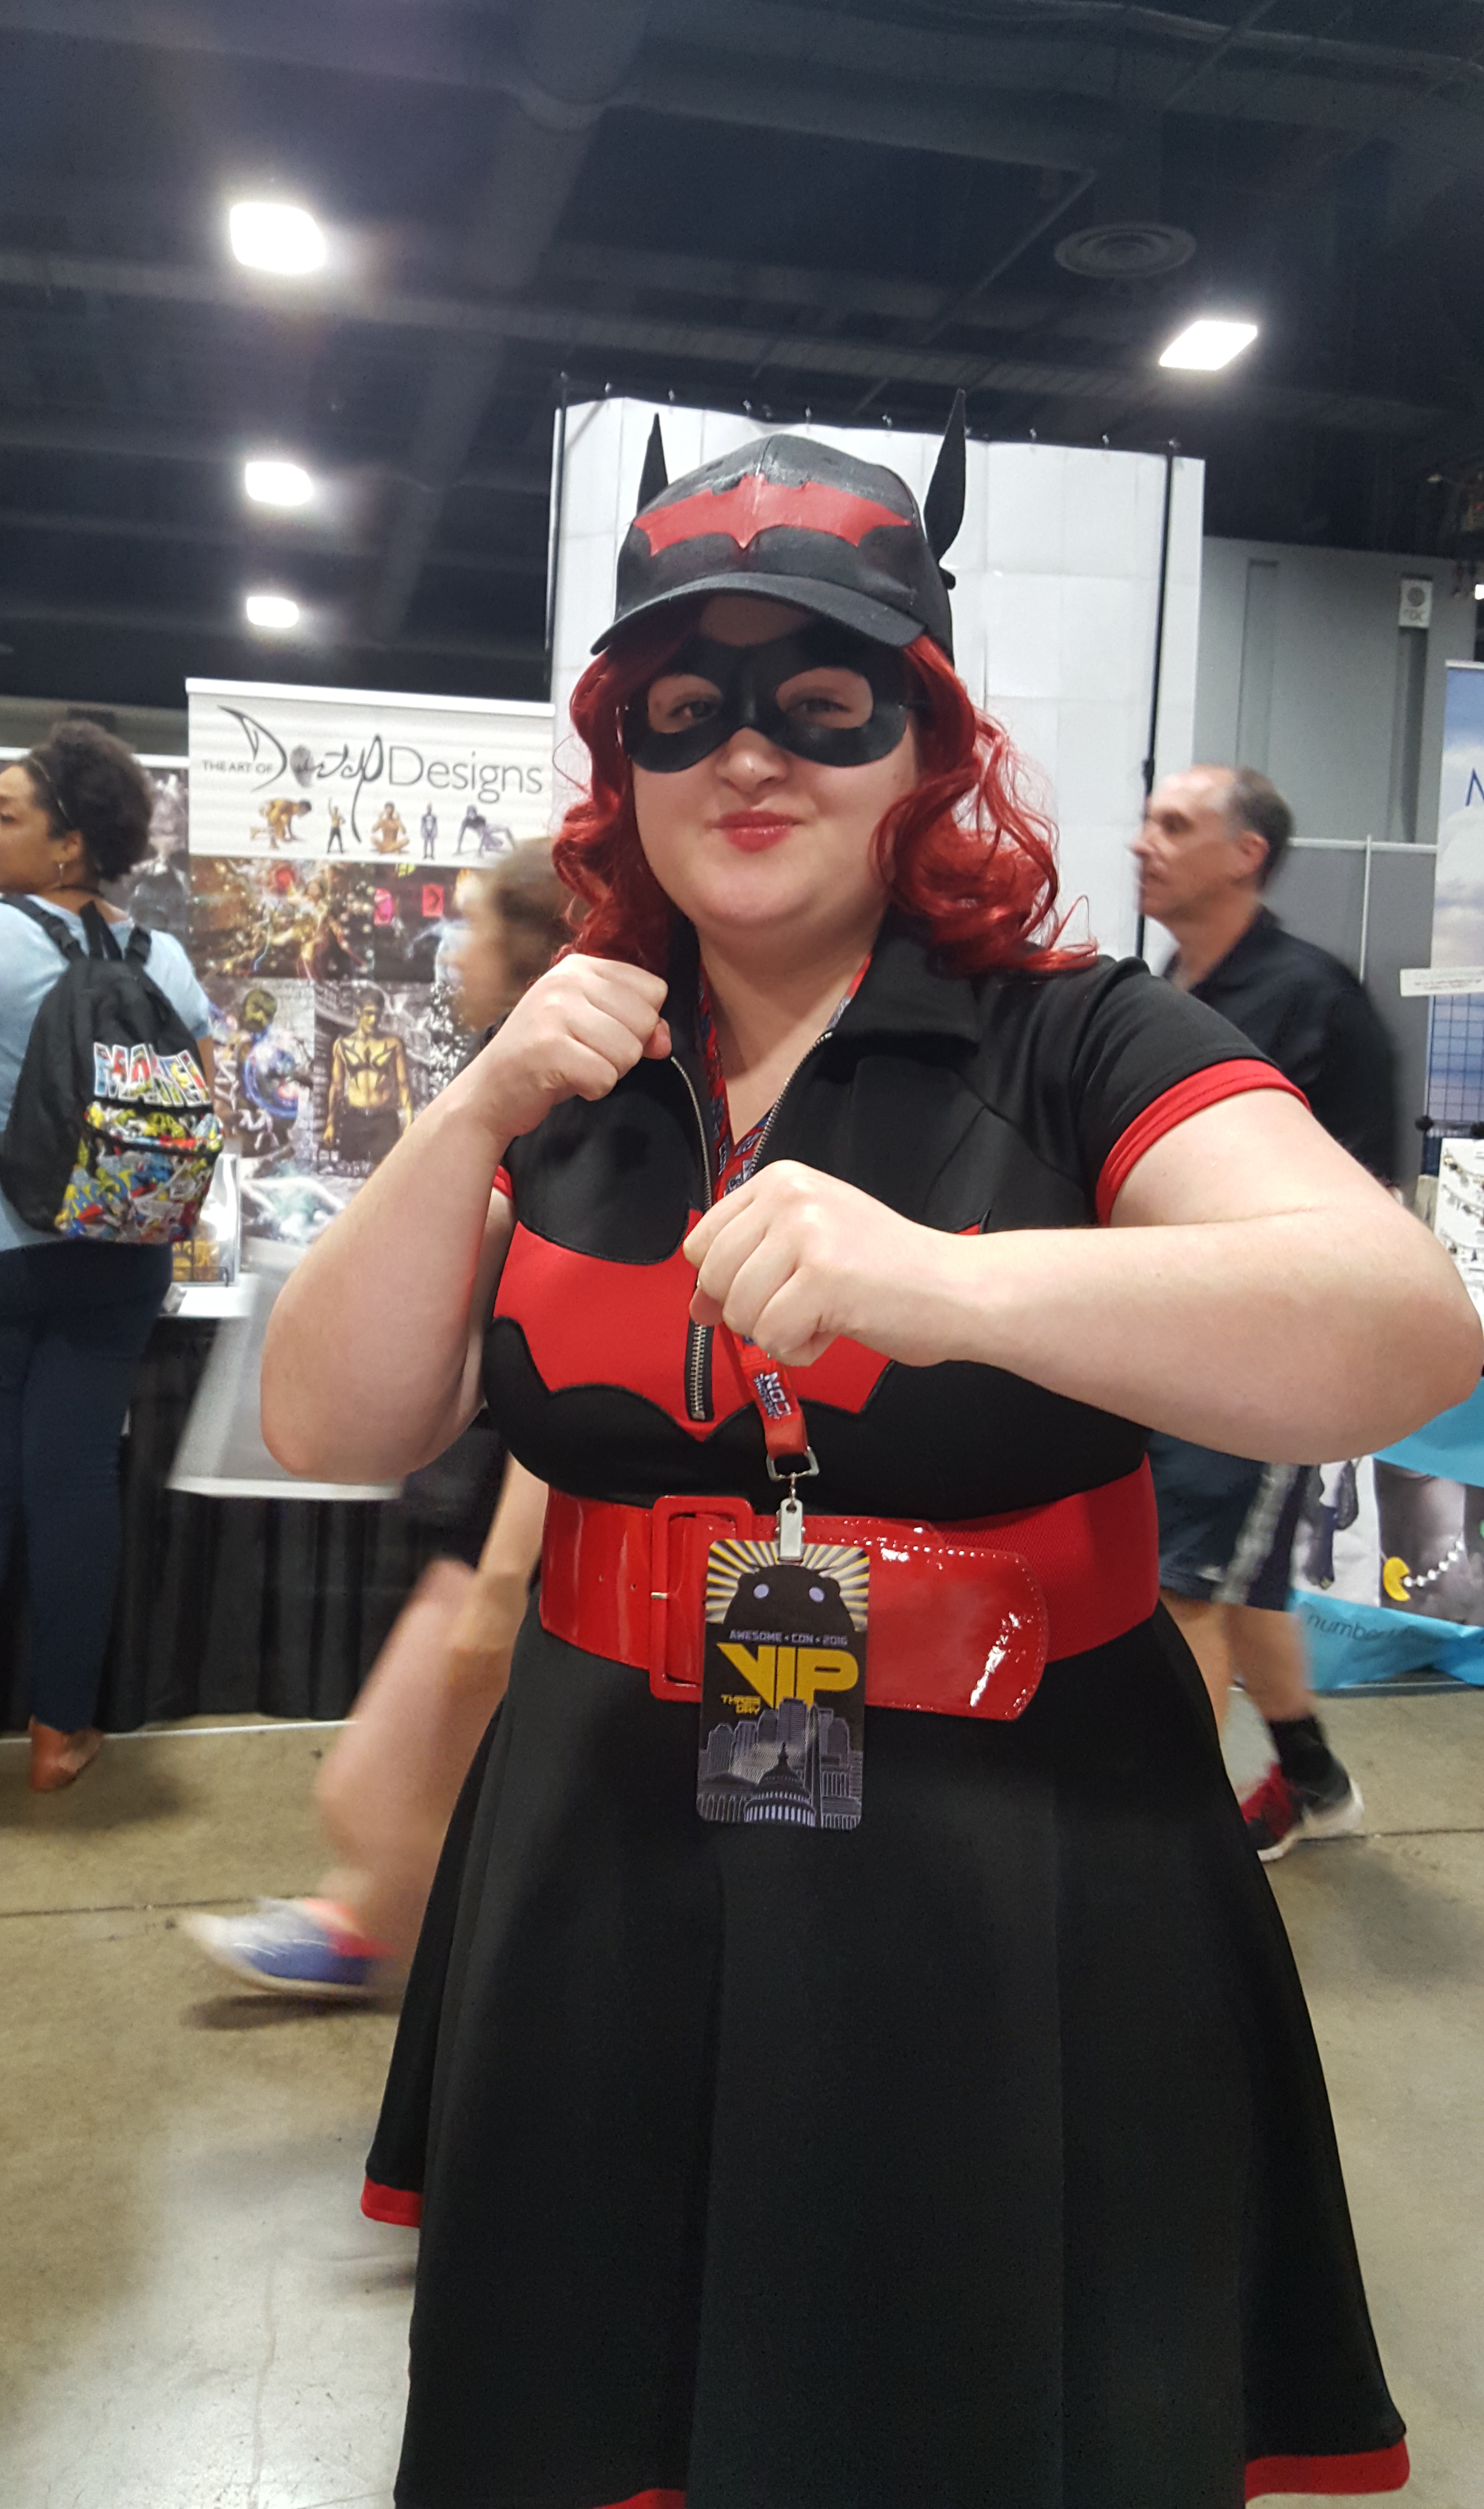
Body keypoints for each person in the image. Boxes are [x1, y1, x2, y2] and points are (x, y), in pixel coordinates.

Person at [261, 424, 1475, 2508]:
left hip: (1010, 1865)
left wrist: (958, 1283)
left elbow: (1399, 1322)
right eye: (684, 707)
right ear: (623, 760)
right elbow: (334, 1423)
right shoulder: (578, 1059)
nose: (749, 753)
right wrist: (468, 1109)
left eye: (821, 699)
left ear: (919, 744)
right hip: (604, 1837)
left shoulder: (1077, 1033)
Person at [188, 843, 568, 1995]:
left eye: (476, 926)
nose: (455, 953)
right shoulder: (504, 1087)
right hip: (472, 1494)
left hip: (513, 1505)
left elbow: (567, 1350)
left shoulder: (557, 1109)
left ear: (530, 945)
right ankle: (377, 1922)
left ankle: (386, 1931)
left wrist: (503, 1577)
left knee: (397, 1777)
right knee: (401, 1775)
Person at [1133, 763, 1402, 1858]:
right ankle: (1313, 1781)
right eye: (1146, 820)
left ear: (1245, 854)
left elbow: (1370, 1199)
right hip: (1164, 1334)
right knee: (1233, 1583)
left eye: (1174, 824)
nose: (1144, 841)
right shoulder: (1172, 984)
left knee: (1182, 1591)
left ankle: (1172, 1853)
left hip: (1259, 1352)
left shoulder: (1311, 995)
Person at [0, 721, 213, 1791]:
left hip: (8, 1245)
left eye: (6, 816)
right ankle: (59, 1733)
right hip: (124, 1250)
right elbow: (206, 1103)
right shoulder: (161, 956)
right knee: (76, 1476)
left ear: (68, 844)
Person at [321, 995, 413, 1169]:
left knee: (388, 1172)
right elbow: (337, 1086)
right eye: (369, 1013)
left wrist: (409, 1120)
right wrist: (330, 1123)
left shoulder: (393, 1044)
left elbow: (403, 1083)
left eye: (378, 1015)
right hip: (354, 1118)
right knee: (350, 1171)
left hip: (385, 1119)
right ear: (358, 1012)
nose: (373, 1020)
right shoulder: (342, 1045)